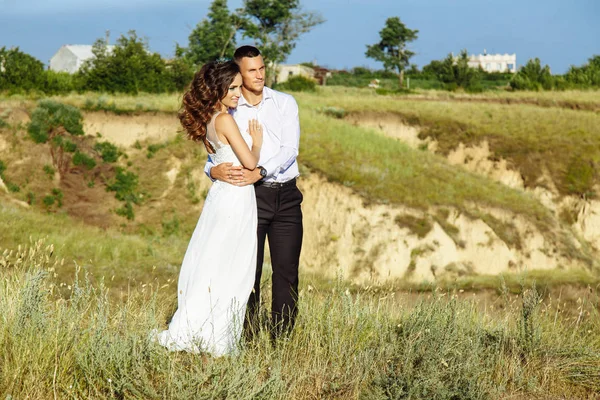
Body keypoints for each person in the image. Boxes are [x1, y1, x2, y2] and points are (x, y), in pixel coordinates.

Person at [156, 60, 263, 356]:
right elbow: (251, 163)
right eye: (232, 88)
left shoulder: (207, 120)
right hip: (237, 199)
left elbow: (216, 163)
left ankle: (201, 326)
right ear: (217, 89)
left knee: (213, 262)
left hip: (220, 197)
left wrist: (216, 170)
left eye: (239, 87)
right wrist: (257, 142)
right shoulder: (225, 120)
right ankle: (217, 335)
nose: (238, 94)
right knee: (234, 267)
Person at [204, 46, 303, 339]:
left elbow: (290, 149)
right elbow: (215, 154)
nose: (259, 75)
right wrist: (211, 171)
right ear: (239, 73)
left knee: (287, 272)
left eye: (261, 68)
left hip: (286, 196)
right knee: (248, 273)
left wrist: (261, 170)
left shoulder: (285, 102)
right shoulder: (230, 108)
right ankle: (246, 338)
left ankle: (281, 340)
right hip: (250, 198)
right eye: (252, 70)